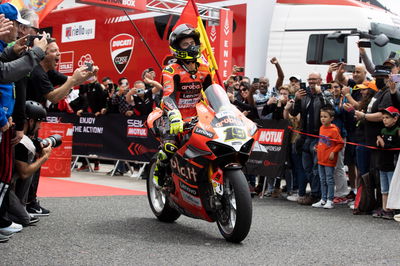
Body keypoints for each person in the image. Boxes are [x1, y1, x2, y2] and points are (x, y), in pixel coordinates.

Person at [153, 24, 212, 187]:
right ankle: (158, 170)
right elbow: (168, 97)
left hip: (197, 117)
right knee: (170, 147)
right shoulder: (170, 70)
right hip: (172, 116)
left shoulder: (205, 69)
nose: (191, 47)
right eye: (185, 44)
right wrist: (175, 116)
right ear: (177, 48)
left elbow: (213, 94)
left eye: (192, 43)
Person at [288, 72, 330, 205]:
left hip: (319, 136)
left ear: (320, 80)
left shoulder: (325, 93)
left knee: (316, 168)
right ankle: (314, 193)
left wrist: (320, 93)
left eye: (314, 79)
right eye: (310, 79)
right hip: (305, 136)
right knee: (307, 168)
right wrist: (297, 99)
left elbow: (329, 109)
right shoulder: (304, 94)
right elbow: (294, 113)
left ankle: (317, 194)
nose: (311, 82)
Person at [7, 101, 51, 225]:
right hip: (4, 186)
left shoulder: (15, 132)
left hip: (6, 184)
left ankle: (18, 208)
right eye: (39, 122)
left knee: (31, 165)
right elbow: (24, 173)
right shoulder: (21, 141)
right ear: (31, 121)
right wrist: (44, 157)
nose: (40, 126)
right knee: (23, 219)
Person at [312, 107, 344, 209]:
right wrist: (317, 147)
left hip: (329, 159)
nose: (323, 119)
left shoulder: (334, 130)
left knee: (329, 179)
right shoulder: (321, 128)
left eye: (325, 117)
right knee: (322, 179)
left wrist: (333, 152)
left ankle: (330, 200)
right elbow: (322, 141)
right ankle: (323, 199)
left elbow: (340, 144)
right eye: (321, 116)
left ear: (331, 118)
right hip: (321, 158)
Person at [373, 106, 399, 219]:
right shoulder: (383, 130)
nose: (384, 120)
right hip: (382, 163)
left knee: (391, 187)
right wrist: (378, 142)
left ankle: (392, 209)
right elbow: (380, 146)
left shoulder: (397, 130)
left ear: (395, 118)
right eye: (383, 118)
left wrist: (382, 142)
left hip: (391, 165)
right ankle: (384, 208)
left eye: (387, 117)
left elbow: (393, 146)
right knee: (384, 189)